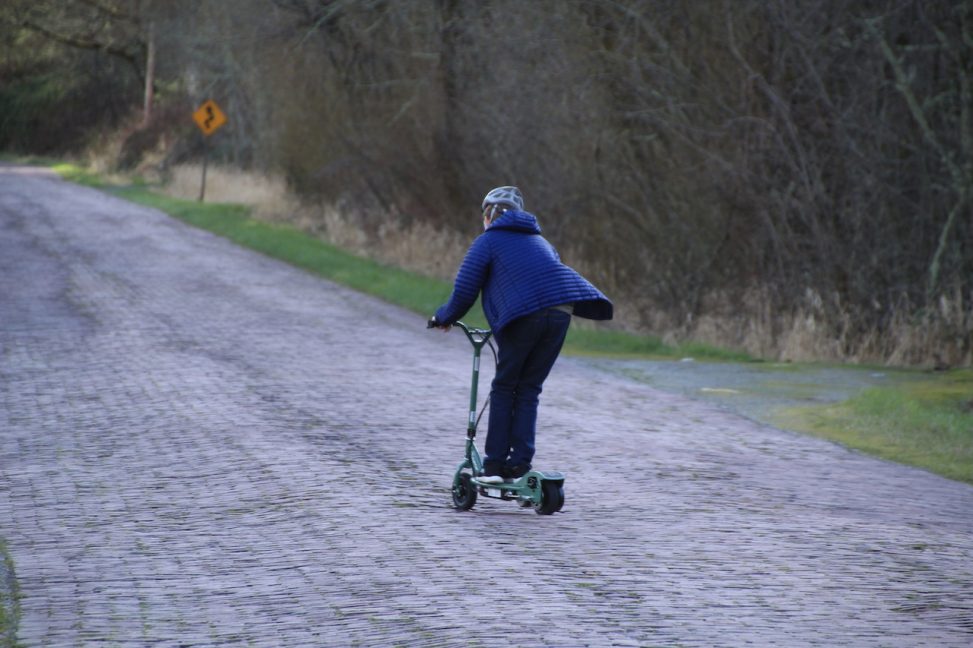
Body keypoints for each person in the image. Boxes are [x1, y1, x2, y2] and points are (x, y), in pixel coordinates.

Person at [429, 186, 613, 483]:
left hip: (525, 315)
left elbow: (464, 291)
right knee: (528, 388)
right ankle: (519, 465)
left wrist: (442, 317)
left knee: (505, 386)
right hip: (560, 313)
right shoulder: (542, 242)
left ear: (488, 214)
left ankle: (494, 466)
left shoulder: (487, 242)